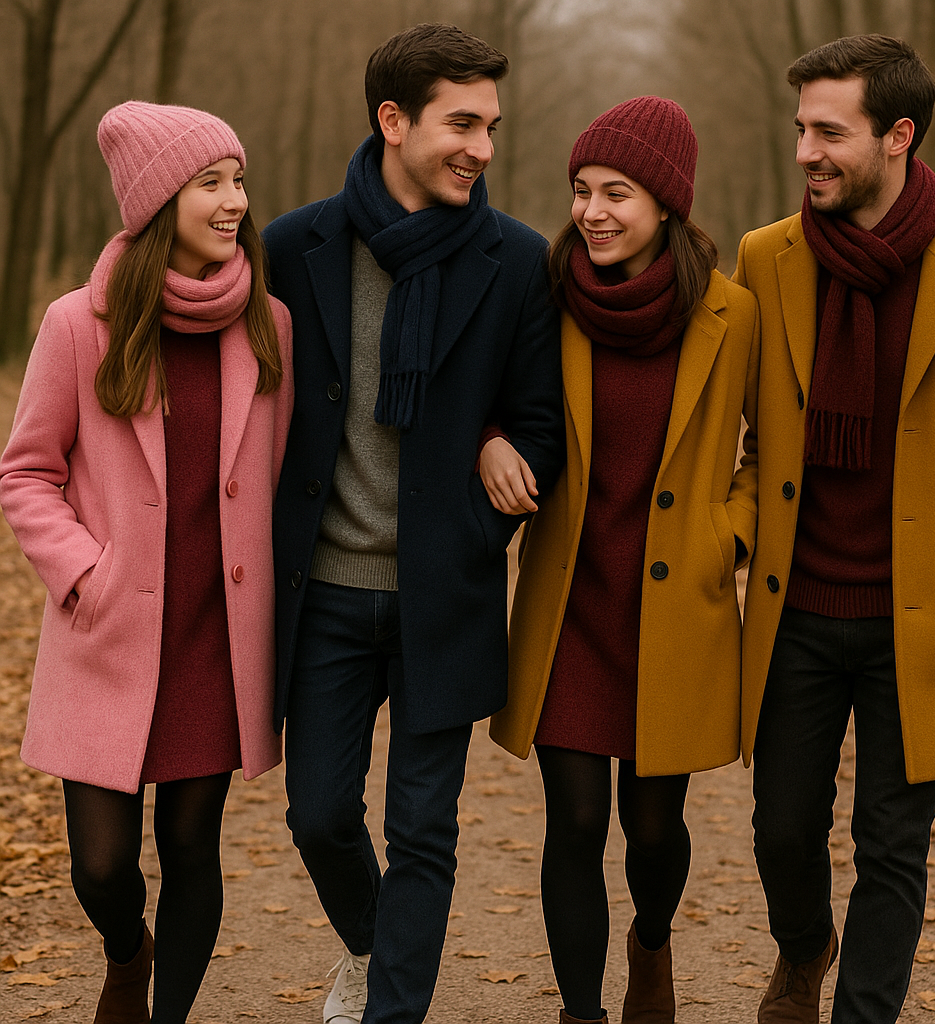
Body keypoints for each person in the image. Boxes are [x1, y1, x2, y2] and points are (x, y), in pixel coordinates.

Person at [263, 23, 563, 1024]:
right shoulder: (293, 249)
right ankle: (372, 941)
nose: (482, 146)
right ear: (392, 121)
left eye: (491, 124)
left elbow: (541, 427)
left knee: (425, 830)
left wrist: (491, 446)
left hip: (446, 592)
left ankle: (392, 1012)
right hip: (327, 594)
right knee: (319, 816)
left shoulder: (517, 260)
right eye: (461, 122)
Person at [734, 34, 935, 1024]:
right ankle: (802, 942)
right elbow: (736, 439)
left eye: (829, 131)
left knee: (893, 845)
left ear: (897, 136)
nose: (805, 149)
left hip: (921, 615)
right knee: (781, 831)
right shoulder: (765, 258)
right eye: (800, 127)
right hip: (795, 611)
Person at [0, 101, 293, 1024]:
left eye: (237, 180)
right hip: (110, 631)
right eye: (210, 183)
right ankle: (129, 954)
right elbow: (25, 471)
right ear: (159, 202)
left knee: (192, 847)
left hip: (215, 636)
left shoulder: (269, 323)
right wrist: (82, 570)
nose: (234, 201)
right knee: (99, 867)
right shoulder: (76, 327)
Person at [488, 97, 759, 1024]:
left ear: (668, 204)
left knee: (653, 829)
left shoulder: (733, 315)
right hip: (571, 604)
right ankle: (581, 1012)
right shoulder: (545, 295)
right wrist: (491, 439)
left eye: (617, 193)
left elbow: (771, 454)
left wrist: (730, 529)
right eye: (581, 190)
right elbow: (495, 399)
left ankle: (651, 940)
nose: (592, 211)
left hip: (674, 609)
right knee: (572, 823)